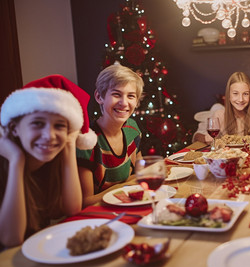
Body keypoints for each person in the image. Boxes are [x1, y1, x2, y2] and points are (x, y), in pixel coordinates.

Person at [0, 74, 96, 248]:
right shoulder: (9, 163)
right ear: (14, 129)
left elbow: (72, 210)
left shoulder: (53, 159)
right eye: (37, 123)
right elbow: (11, 239)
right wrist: (16, 161)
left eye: (59, 125)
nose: (49, 136)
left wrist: (68, 144)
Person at [77, 64, 144, 205]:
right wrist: (126, 187)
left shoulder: (132, 128)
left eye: (131, 96)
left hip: (129, 206)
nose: (124, 103)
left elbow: (140, 176)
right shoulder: (86, 141)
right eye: (116, 94)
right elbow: (85, 201)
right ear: (99, 96)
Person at [194, 71, 250, 143]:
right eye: (235, 93)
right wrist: (206, 139)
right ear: (228, 96)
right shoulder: (219, 115)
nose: (241, 99)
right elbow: (197, 137)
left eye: (245, 94)